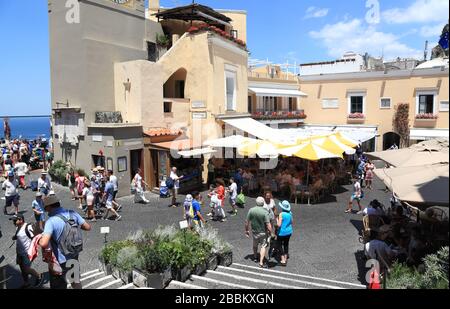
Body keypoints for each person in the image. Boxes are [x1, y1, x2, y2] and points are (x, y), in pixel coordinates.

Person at [39, 195, 91, 289]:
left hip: (60, 261)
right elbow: (88, 227)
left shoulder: (51, 221)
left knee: (59, 286)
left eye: (45, 207)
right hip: (74, 256)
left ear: (49, 207)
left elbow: (44, 243)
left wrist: (39, 237)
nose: (45, 209)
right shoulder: (72, 213)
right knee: (75, 281)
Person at [10, 214, 44, 288]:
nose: (13, 222)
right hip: (19, 252)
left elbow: (37, 237)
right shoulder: (17, 227)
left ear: (21, 220)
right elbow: (19, 235)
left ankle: (39, 275)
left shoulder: (28, 227)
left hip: (27, 253)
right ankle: (26, 283)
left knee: (26, 269)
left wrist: (35, 248)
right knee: (22, 269)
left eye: (15, 220)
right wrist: (15, 237)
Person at [245, 197, 272, 268]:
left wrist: (247, 230)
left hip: (254, 231)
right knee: (263, 246)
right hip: (263, 232)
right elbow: (268, 224)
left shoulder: (251, 210)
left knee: (255, 244)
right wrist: (270, 232)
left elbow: (247, 222)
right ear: (263, 203)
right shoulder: (265, 212)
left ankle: (255, 256)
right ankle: (261, 262)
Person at [277, 201, 293, 266]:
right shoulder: (290, 213)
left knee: (279, 245)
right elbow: (292, 222)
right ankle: (286, 258)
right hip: (289, 231)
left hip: (282, 232)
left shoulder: (281, 214)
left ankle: (283, 260)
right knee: (286, 244)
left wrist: (277, 219)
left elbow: (279, 225)